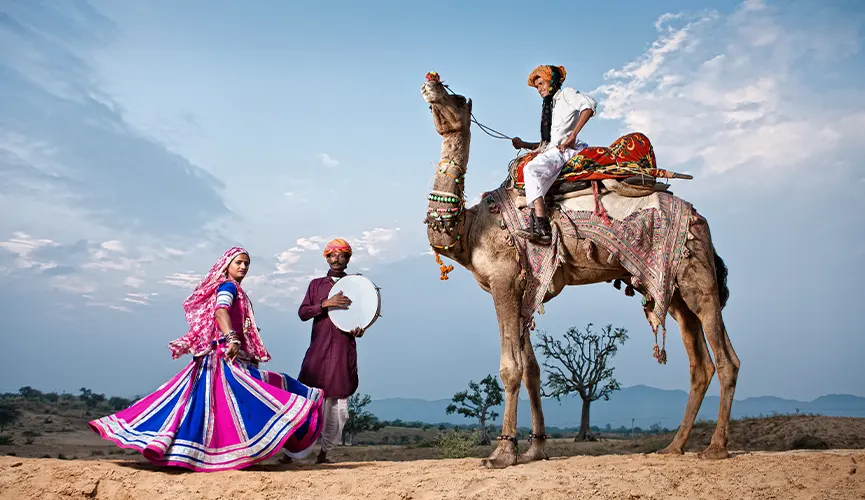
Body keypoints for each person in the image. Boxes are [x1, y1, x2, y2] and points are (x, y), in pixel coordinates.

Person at [89, 247, 324, 472]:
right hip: (220, 359)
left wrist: (243, 342)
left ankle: (204, 454)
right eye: (238, 263)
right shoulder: (227, 287)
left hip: (222, 358)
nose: (243, 267)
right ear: (226, 265)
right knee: (242, 399)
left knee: (212, 407)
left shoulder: (236, 290)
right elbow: (221, 311)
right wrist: (232, 338)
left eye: (246, 264)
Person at [511, 65, 597, 245]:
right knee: (526, 169)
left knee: (532, 170)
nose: (539, 89)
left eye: (542, 83)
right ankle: (536, 222)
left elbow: (589, 105)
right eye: (537, 87)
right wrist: (524, 144)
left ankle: (542, 227)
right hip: (554, 149)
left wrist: (572, 137)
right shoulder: (550, 106)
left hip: (566, 151)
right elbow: (548, 144)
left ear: (553, 81)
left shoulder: (567, 94)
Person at [297, 238, 365, 464]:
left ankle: (325, 453)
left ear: (348, 259)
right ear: (326, 258)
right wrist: (325, 304)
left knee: (338, 407)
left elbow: (361, 316)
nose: (337, 259)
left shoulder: (357, 285)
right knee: (307, 403)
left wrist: (359, 329)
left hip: (341, 351)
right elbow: (303, 313)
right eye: (332, 255)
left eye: (342, 255)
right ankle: (293, 454)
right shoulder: (316, 285)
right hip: (317, 352)